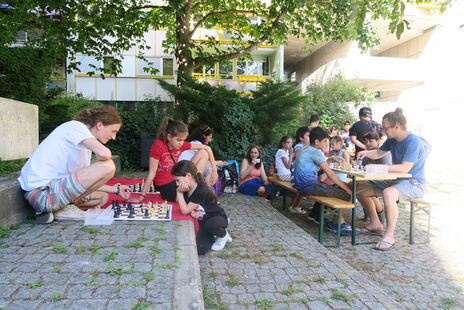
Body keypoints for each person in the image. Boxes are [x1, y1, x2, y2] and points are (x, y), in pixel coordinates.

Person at [18, 105, 131, 223]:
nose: (114, 137)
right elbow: (105, 154)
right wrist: (100, 155)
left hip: (53, 191)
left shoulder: (84, 146)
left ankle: (56, 210)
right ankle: (61, 209)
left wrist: (116, 190)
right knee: (108, 166)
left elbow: (83, 183)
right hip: (41, 195)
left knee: (103, 197)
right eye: (113, 131)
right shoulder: (76, 127)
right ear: (100, 125)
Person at [357, 108, 426, 251]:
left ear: (396, 127)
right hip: (397, 181)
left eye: (385, 128)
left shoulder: (413, 141)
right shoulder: (392, 140)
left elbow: (404, 168)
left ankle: (389, 236)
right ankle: (375, 223)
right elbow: (377, 152)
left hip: (415, 183)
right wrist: (365, 152)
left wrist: (378, 168)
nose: (383, 131)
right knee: (358, 186)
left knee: (389, 193)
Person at [130, 117, 217, 203]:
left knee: (203, 153)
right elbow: (152, 173)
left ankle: (197, 185)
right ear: (169, 136)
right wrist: (141, 197)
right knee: (194, 197)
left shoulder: (181, 144)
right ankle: (197, 189)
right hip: (166, 185)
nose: (181, 143)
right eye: (178, 140)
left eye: (183, 140)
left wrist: (214, 171)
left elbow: (207, 148)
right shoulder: (158, 146)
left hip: (179, 178)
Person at [292, 127, 353, 235]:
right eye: (325, 141)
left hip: (300, 186)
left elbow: (317, 167)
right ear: (317, 141)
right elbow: (331, 174)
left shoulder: (305, 149)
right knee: (348, 195)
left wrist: (329, 159)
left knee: (327, 186)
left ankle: (316, 214)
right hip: (309, 187)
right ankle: (336, 224)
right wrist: (347, 189)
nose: (327, 143)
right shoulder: (317, 152)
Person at [172, 160, 231, 255]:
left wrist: (179, 192)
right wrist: (181, 192)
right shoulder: (188, 187)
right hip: (203, 220)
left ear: (188, 176)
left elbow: (184, 210)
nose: (177, 184)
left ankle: (223, 234)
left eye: (177, 180)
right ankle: (212, 234)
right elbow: (178, 200)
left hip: (217, 218)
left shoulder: (200, 190)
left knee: (210, 225)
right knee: (199, 249)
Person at [288, 126, 311, 213]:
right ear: (301, 138)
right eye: (308, 136)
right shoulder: (299, 146)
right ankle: (295, 206)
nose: (310, 138)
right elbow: (297, 154)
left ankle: (293, 206)